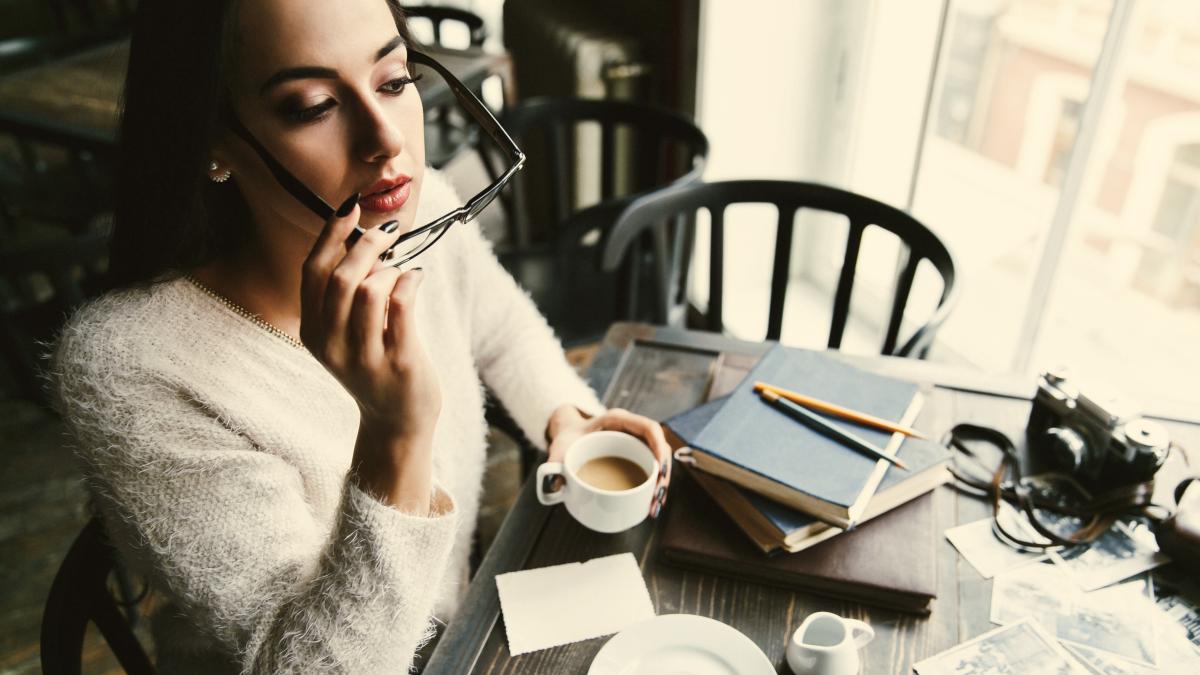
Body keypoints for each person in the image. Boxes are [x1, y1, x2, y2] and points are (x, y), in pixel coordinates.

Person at [49, 0, 672, 671]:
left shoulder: (419, 214)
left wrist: (566, 415)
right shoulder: (131, 366)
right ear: (213, 147)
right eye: (313, 106)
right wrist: (393, 439)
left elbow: (501, 327)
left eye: (395, 80)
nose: (387, 140)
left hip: (454, 643)